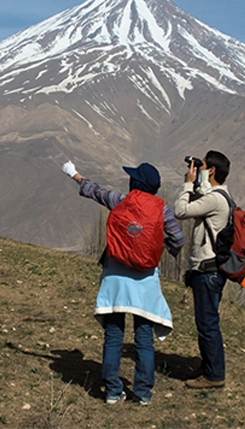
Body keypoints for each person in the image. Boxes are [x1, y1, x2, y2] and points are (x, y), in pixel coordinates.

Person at [62, 160, 184, 405]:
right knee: (144, 338)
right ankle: (142, 393)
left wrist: (74, 174)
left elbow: (95, 191)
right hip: (145, 279)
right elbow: (178, 239)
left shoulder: (121, 200)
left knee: (114, 335)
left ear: (135, 184)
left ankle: (112, 390)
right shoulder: (162, 211)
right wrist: (160, 246)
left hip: (116, 276)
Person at [173, 150, 231, 389]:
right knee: (205, 322)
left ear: (212, 170)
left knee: (207, 324)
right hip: (210, 269)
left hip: (208, 271)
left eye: (204, 165)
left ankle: (214, 375)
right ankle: (208, 365)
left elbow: (181, 211)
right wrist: (200, 179)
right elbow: (204, 194)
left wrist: (188, 184)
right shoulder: (219, 195)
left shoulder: (215, 199)